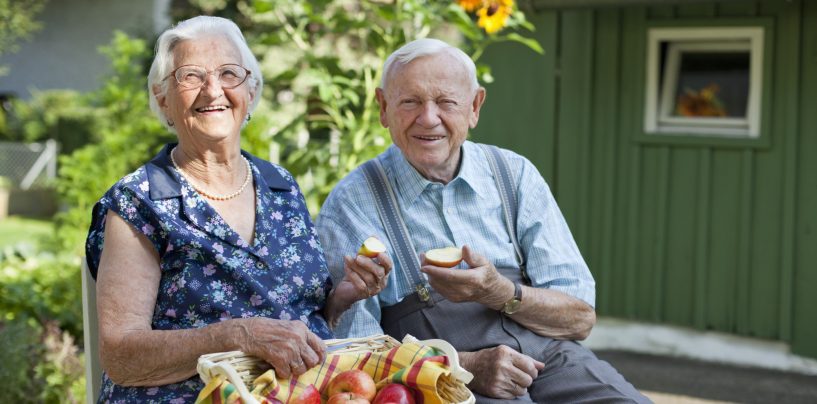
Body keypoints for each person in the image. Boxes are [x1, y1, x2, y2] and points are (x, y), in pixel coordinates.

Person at [316, 38, 649, 403]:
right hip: (445, 380)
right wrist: (464, 365)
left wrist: (500, 292)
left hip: (552, 359)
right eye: (410, 101)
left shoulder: (513, 174)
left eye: (446, 102)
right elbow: (355, 352)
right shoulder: (354, 202)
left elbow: (579, 319)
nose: (428, 118)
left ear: (474, 107)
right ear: (383, 108)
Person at [85, 16, 382, 402]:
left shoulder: (280, 185)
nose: (213, 90)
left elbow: (296, 317)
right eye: (191, 76)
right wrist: (236, 336)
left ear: (251, 90)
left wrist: (342, 297)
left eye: (229, 73)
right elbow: (121, 357)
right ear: (163, 99)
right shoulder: (140, 202)